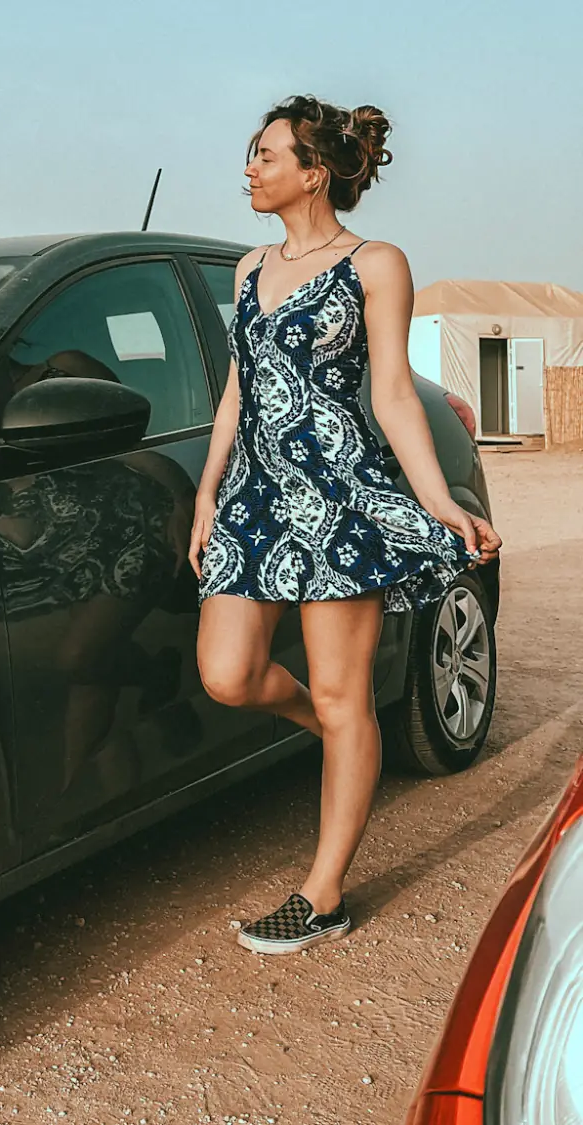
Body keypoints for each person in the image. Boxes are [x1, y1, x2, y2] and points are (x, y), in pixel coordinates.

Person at [188, 95, 502, 955]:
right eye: (251, 155)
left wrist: (440, 500)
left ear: (313, 171)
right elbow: (237, 393)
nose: (249, 168)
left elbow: (394, 394)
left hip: (340, 497)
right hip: (255, 498)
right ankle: (342, 736)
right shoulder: (249, 267)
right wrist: (209, 491)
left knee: (342, 690)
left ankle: (322, 892)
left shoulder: (375, 263)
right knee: (229, 672)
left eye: (265, 155)